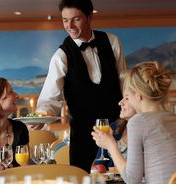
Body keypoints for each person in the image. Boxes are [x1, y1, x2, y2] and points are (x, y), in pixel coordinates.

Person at [36, 0, 126, 172]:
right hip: (83, 139)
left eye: (75, 19)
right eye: (64, 20)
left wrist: (127, 118)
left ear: (90, 17)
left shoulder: (112, 41)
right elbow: (50, 98)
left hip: (117, 133)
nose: (69, 25)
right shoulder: (61, 56)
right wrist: (40, 116)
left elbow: (124, 84)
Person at [92, 61, 176, 184]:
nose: (123, 101)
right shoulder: (175, 118)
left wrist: (111, 145)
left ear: (138, 96)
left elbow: (132, 180)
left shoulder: (138, 122)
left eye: (127, 97)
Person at [93, 95, 136, 170]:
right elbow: (98, 166)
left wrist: (111, 145)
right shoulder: (114, 128)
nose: (120, 103)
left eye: (127, 98)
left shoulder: (148, 132)